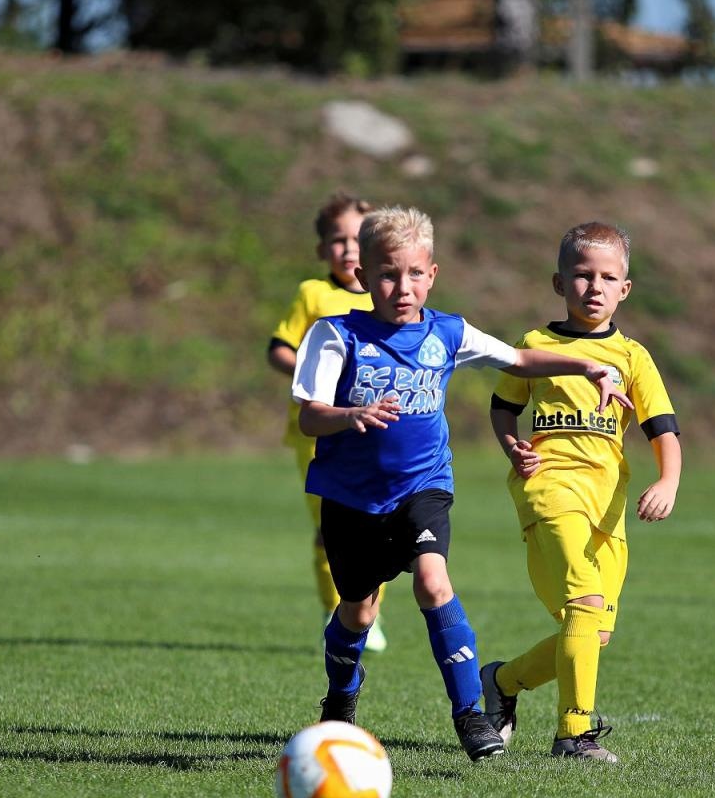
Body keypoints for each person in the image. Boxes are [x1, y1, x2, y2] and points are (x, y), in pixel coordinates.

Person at [290, 206, 631, 761]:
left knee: (433, 583)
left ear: (432, 274)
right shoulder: (335, 335)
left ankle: (472, 714)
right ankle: (340, 700)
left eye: (415, 274)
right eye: (387, 274)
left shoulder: (446, 331)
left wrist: (581, 367)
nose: (403, 286)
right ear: (362, 276)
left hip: (423, 487)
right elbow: (309, 415)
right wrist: (348, 415)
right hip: (352, 496)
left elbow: (518, 359)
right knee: (358, 610)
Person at [478, 222, 681, 763]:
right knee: (584, 605)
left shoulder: (632, 356)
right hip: (548, 490)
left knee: (592, 631)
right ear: (558, 282)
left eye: (607, 277)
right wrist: (511, 446)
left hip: (607, 505)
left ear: (625, 289)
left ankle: (502, 683)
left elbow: (662, 427)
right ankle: (574, 735)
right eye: (582, 275)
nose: (594, 286)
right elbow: (503, 405)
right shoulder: (535, 346)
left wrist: (668, 480)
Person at [266, 192, 387, 651]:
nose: (349, 248)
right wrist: (315, 376)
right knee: (332, 529)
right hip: (317, 432)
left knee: (380, 525)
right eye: (338, 240)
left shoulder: (389, 295)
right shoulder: (313, 294)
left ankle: (366, 611)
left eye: (359, 238)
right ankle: (337, 608)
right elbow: (279, 347)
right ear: (322, 250)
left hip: (375, 430)